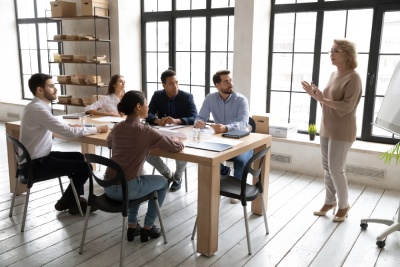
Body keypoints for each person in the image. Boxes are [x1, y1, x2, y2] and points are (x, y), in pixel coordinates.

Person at [19, 73, 109, 215]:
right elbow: (68, 133)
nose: (55, 89)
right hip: (35, 165)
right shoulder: (39, 109)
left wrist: (77, 127)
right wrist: (97, 128)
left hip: (35, 159)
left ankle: (75, 201)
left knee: (79, 156)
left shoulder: (35, 106)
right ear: (39, 90)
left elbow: (57, 125)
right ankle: (64, 202)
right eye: (51, 86)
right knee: (86, 167)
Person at [105, 90, 184, 242]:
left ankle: (133, 226)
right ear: (138, 106)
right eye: (146, 104)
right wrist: (175, 139)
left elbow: (109, 143)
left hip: (108, 187)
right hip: (128, 190)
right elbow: (175, 148)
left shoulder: (117, 127)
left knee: (138, 177)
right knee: (162, 182)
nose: (148, 107)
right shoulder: (145, 130)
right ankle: (149, 227)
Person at [301, 39, 362, 222]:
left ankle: (344, 205)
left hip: (342, 131)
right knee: (328, 168)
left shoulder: (354, 78)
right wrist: (317, 96)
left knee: (336, 169)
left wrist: (321, 98)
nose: (331, 53)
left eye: (335, 50)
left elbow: (346, 107)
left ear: (347, 54)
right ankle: (329, 202)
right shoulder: (334, 74)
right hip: (326, 127)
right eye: (331, 50)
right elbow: (327, 103)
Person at [194, 70, 253, 204]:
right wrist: (199, 123)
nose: (230, 84)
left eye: (230, 80)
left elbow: (243, 123)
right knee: (202, 157)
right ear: (217, 85)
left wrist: (226, 127)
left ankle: (237, 189)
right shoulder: (210, 98)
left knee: (241, 160)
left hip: (241, 141)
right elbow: (200, 117)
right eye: (226, 82)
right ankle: (224, 170)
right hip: (219, 140)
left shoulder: (241, 100)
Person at [145, 69, 198, 191]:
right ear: (163, 85)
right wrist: (157, 120)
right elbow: (148, 113)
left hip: (181, 134)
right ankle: (168, 174)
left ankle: (178, 177)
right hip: (161, 132)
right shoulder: (157, 95)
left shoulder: (187, 97)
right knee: (146, 149)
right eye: (171, 83)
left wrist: (177, 120)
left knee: (180, 150)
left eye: (176, 82)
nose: (175, 86)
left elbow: (194, 117)